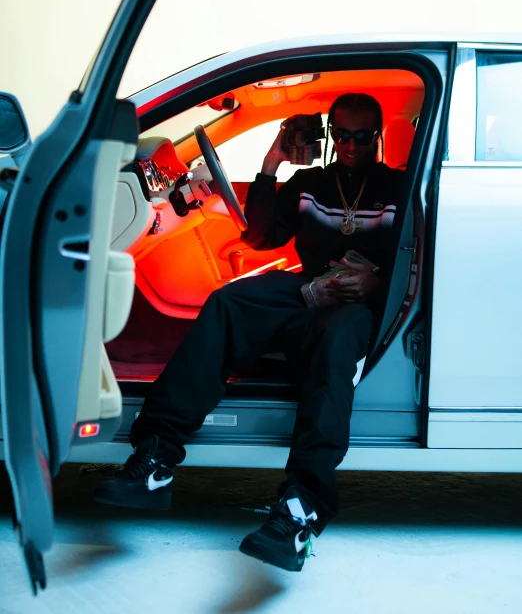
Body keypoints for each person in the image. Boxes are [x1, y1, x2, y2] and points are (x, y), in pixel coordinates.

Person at [94, 92, 404, 572]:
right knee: (229, 302)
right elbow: (262, 237)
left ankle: (301, 508)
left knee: (338, 347)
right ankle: (154, 459)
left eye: (362, 137)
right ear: (330, 133)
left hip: (359, 306)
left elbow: (419, 263)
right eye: (341, 134)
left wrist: (378, 281)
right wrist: (271, 162)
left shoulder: (399, 188)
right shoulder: (308, 183)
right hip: (307, 290)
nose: (350, 146)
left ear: (377, 137)